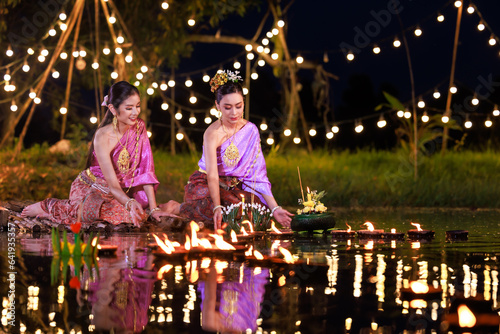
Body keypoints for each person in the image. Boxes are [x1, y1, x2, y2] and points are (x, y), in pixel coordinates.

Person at [164, 70, 293, 229]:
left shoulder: (250, 130)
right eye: (227, 107)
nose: (234, 113)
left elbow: (257, 176)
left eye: (238, 106)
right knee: (226, 209)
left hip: (235, 187)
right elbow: (212, 175)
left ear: (243, 103)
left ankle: (197, 216)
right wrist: (217, 206)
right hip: (206, 184)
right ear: (217, 106)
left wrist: (275, 208)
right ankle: (176, 208)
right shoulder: (212, 133)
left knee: (255, 212)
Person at [22, 81, 163, 226]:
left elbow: (145, 171)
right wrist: (129, 202)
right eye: (129, 108)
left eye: (137, 106)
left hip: (119, 193)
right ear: (113, 109)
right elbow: (113, 185)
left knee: (135, 216)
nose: (135, 112)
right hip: (92, 188)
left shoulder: (139, 127)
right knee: (115, 214)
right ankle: (50, 206)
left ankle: (67, 212)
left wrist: (153, 209)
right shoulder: (103, 136)